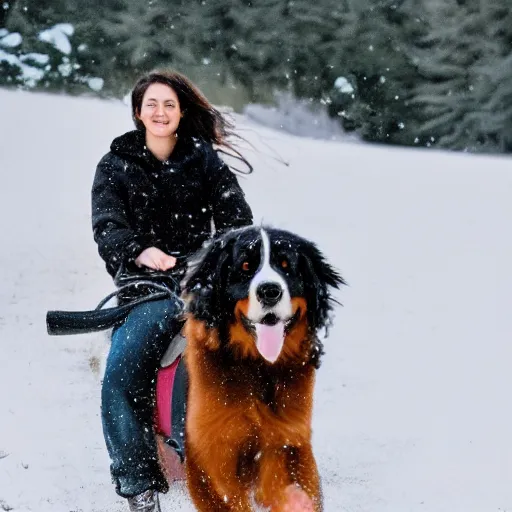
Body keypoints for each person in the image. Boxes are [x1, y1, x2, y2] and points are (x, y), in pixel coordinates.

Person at [91, 70, 253, 511]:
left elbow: (238, 222)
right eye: (152, 104)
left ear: (181, 113)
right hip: (145, 289)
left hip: (202, 285)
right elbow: (107, 227)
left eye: (169, 105)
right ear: (138, 112)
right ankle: (140, 485)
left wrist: (219, 265)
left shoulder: (204, 161)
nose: (160, 112)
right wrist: (139, 251)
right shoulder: (114, 165)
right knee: (122, 373)